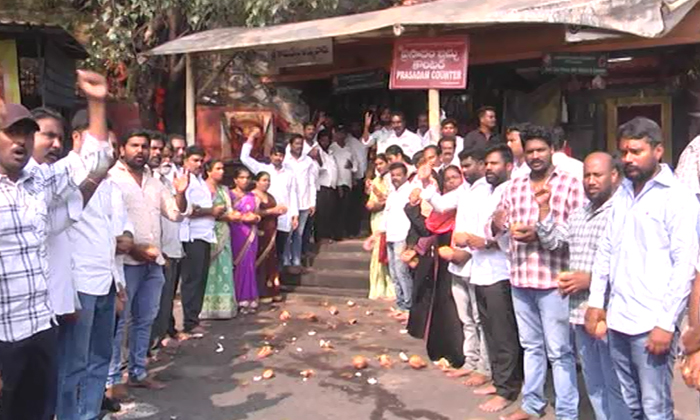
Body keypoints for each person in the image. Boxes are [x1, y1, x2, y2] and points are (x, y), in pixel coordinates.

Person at [0, 70, 112, 420]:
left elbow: (92, 160)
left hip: (39, 328)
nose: (20, 142)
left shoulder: (39, 183)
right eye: (10, 134)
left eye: (25, 135)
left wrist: (96, 102)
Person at [585, 117, 700, 420]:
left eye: (636, 151)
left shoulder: (677, 198)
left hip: (651, 324)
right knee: (631, 404)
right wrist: (597, 302)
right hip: (618, 319)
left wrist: (665, 323)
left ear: (658, 150)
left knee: (655, 408)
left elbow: (684, 267)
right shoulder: (622, 192)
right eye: (624, 152)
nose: (628, 159)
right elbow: (606, 249)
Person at [492, 124, 583, 420]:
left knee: (559, 351)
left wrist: (540, 234)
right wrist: (497, 223)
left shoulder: (569, 184)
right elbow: (495, 229)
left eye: (540, 150)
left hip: (554, 279)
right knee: (531, 346)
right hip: (520, 277)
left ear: (552, 151)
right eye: (529, 151)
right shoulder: (514, 186)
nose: (535, 156)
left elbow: (579, 230)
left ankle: (567, 411)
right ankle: (532, 404)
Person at [536, 152, 629, 420]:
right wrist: (544, 208)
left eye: (597, 175)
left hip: (611, 315)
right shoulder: (579, 213)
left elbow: (630, 265)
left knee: (618, 386)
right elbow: (554, 241)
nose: (590, 181)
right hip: (579, 315)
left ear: (614, 176)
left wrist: (587, 280)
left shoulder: (623, 213)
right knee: (595, 384)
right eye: (586, 175)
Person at [107, 130, 190, 397]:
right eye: (135, 145)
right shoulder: (111, 179)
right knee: (120, 322)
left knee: (145, 319)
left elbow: (176, 215)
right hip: (123, 262)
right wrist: (133, 249)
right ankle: (111, 379)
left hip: (154, 261)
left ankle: (138, 372)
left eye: (145, 146)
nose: (141, 151)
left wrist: (180, 193)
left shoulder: (156, 182)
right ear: (122, 148)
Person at [455, 144, 523, 413]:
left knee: (504, 333)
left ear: (509, 166)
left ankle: (507, 389)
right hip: (481, 271)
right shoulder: (487, 191)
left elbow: (505, 237)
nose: (489, 168)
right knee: (491, 332)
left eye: (495, 164)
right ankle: (498, 380)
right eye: (487, 164)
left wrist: (478, 241)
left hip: (501, 272)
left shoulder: (513, 192)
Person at [435, 148, 491, 385]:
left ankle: (484, 368)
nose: (465, 171)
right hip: (457, 263)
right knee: (465, 318)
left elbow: (484, 229)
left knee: (480, 319)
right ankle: (470, 361)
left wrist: (465, 253)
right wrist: (426, 186)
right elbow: (439, 205)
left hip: (476, 261)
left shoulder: (488, 190)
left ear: (480, 164)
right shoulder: (463, 190)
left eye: (468, 166)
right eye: (462, 166)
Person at [405, 164, 466, 368]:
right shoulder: (445, 205)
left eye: (455, 177)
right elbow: (431, 222)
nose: (452, 182)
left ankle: (469, 358)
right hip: (443, 263)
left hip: (467, 258)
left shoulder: (467, 198)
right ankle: (449, 352)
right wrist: (424, 183)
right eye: (447, 179)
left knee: (466, 311)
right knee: (446, 305)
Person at [239, 129, 299, 267]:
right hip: (265, 218)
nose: (278, 158)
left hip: (283, 217)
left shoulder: (289, 173)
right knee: (262, 251)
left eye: (281, 155)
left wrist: (294, 215)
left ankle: (275, 282)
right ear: (271, 156)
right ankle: (262, 283)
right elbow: (244, 158)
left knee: (279, 250)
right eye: (276, 155)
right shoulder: (263, 170)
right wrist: (251, 137)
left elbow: (293, 194)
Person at [179, 145, 222, 335]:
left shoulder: (200, 181)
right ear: (185, 160)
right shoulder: (183, 180)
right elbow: (187, 209)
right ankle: (189, 321)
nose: (198, 164)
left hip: (205, 234)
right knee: (192, 279)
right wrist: (211, 211)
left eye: (200, 161)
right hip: (191, 235)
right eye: (194, 160)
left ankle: (194, 317)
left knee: (201, 278)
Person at [150, 134, 186, 349]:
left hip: (171, 248)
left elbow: (177, 213)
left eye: (166, 155)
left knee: (165, 302)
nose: (164, 159)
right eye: (158, 153)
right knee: (149, 309)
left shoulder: (167, 181)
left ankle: (158, 341)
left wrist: (181, 193)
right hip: (152, 252)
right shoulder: (148, 180)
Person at [200, 159, 240, 319]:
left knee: (223, 267)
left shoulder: (224, 190)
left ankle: (224, 308)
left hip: (223, 233)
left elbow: (229, 210)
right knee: (206, 271)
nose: (222, 171)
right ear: (208, 171)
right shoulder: (201, 188)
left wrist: (232, 216)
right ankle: (204, 308)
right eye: (218, 168)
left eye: (223, 168)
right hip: (206, 232)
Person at [379, 163, 414, 315]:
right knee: (393, 272)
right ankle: (400, 303)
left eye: (398, 175)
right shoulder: (393, 194)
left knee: (402, 272)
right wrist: (381, 233)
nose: (395, 178)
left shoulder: (410, 191)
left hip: (403, 236)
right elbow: (386, 214)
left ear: (405, 175)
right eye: (393, 175)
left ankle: (408, 305)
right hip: (390, 236)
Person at [283, 134, 317, 272]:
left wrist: (312, 202)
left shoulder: (308, 161)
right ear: (290, 145)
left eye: (301, 144)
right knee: (287, 233)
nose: (299, 146)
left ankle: (296, 261)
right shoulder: (285, 161)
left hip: (303, 202)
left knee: (299, 233)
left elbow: (311, 182)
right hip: (288, 203)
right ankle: (286, 261)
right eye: (297, 143)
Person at [230, 167, 261, 313]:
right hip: (236, 233)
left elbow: (257, 214)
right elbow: (226, 214)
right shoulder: (229, 195)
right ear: (235, 180)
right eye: (241, 178)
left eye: (247, 178)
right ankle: (236, 298)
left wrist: (255, 218)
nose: (245, 180)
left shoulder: (253, 197)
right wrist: (241, 217)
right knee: (237, 265)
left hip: (251, 234)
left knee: (249, 266)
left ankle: (249, 297)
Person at [364, 154, 395, 300]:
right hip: (375, 218)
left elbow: (388, 200)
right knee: (377, 253)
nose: (379, 166)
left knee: (382, 252)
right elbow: (371, 201)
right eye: (376, 164)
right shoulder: (377, 179)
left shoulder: (391, 179)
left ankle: (390, 290)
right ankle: (377, 289)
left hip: (386, 217)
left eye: (381, 163)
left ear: (388, 163)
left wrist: (375, 194)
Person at [253, 171, 287, 303]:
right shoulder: (253, 196)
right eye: (263, 180)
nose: (266, 183)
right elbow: (254, 212)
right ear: (256, 181)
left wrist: (279, 211)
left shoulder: (270, 196)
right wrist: (271, 211)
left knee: (271, 260)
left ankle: (273, 289)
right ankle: (261, 291)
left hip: (271, 232)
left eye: (268, 180)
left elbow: (273, 211)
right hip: (259, 232)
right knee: (260, 259)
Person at [330, 125, 360, 240]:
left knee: (346, 208)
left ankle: (345, 232)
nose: (341, 135)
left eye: (343, 133)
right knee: (336, 209)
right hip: (336, 183)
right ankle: (336, 233)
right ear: (335, 134)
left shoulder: (349, 149)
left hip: (347, 183)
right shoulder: (332, 148)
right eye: (339, 133)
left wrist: (351, 167)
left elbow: (355, 166)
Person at [315, 130, 338, 244]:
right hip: (322, 187)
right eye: (323, 140)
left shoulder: (330, 153)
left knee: (329, 212)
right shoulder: (317, 151)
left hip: (331, 187)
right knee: (321, 213)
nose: (325, 142)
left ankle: (327, 235)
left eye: (327, 140)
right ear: (319, 141)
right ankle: (320, 237)